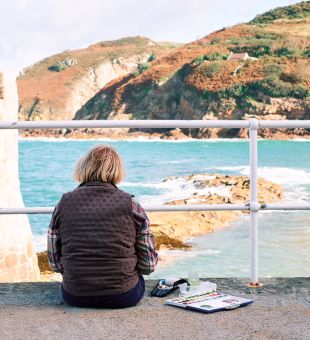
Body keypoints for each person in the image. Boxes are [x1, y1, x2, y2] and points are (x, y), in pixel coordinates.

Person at [47, 144, 158, 308]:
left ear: (83, 167)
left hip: (75, 295)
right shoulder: (131, 204)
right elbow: (148, 265)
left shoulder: (63, 204)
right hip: (124, 296)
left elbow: (54, 262)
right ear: (117, 171)